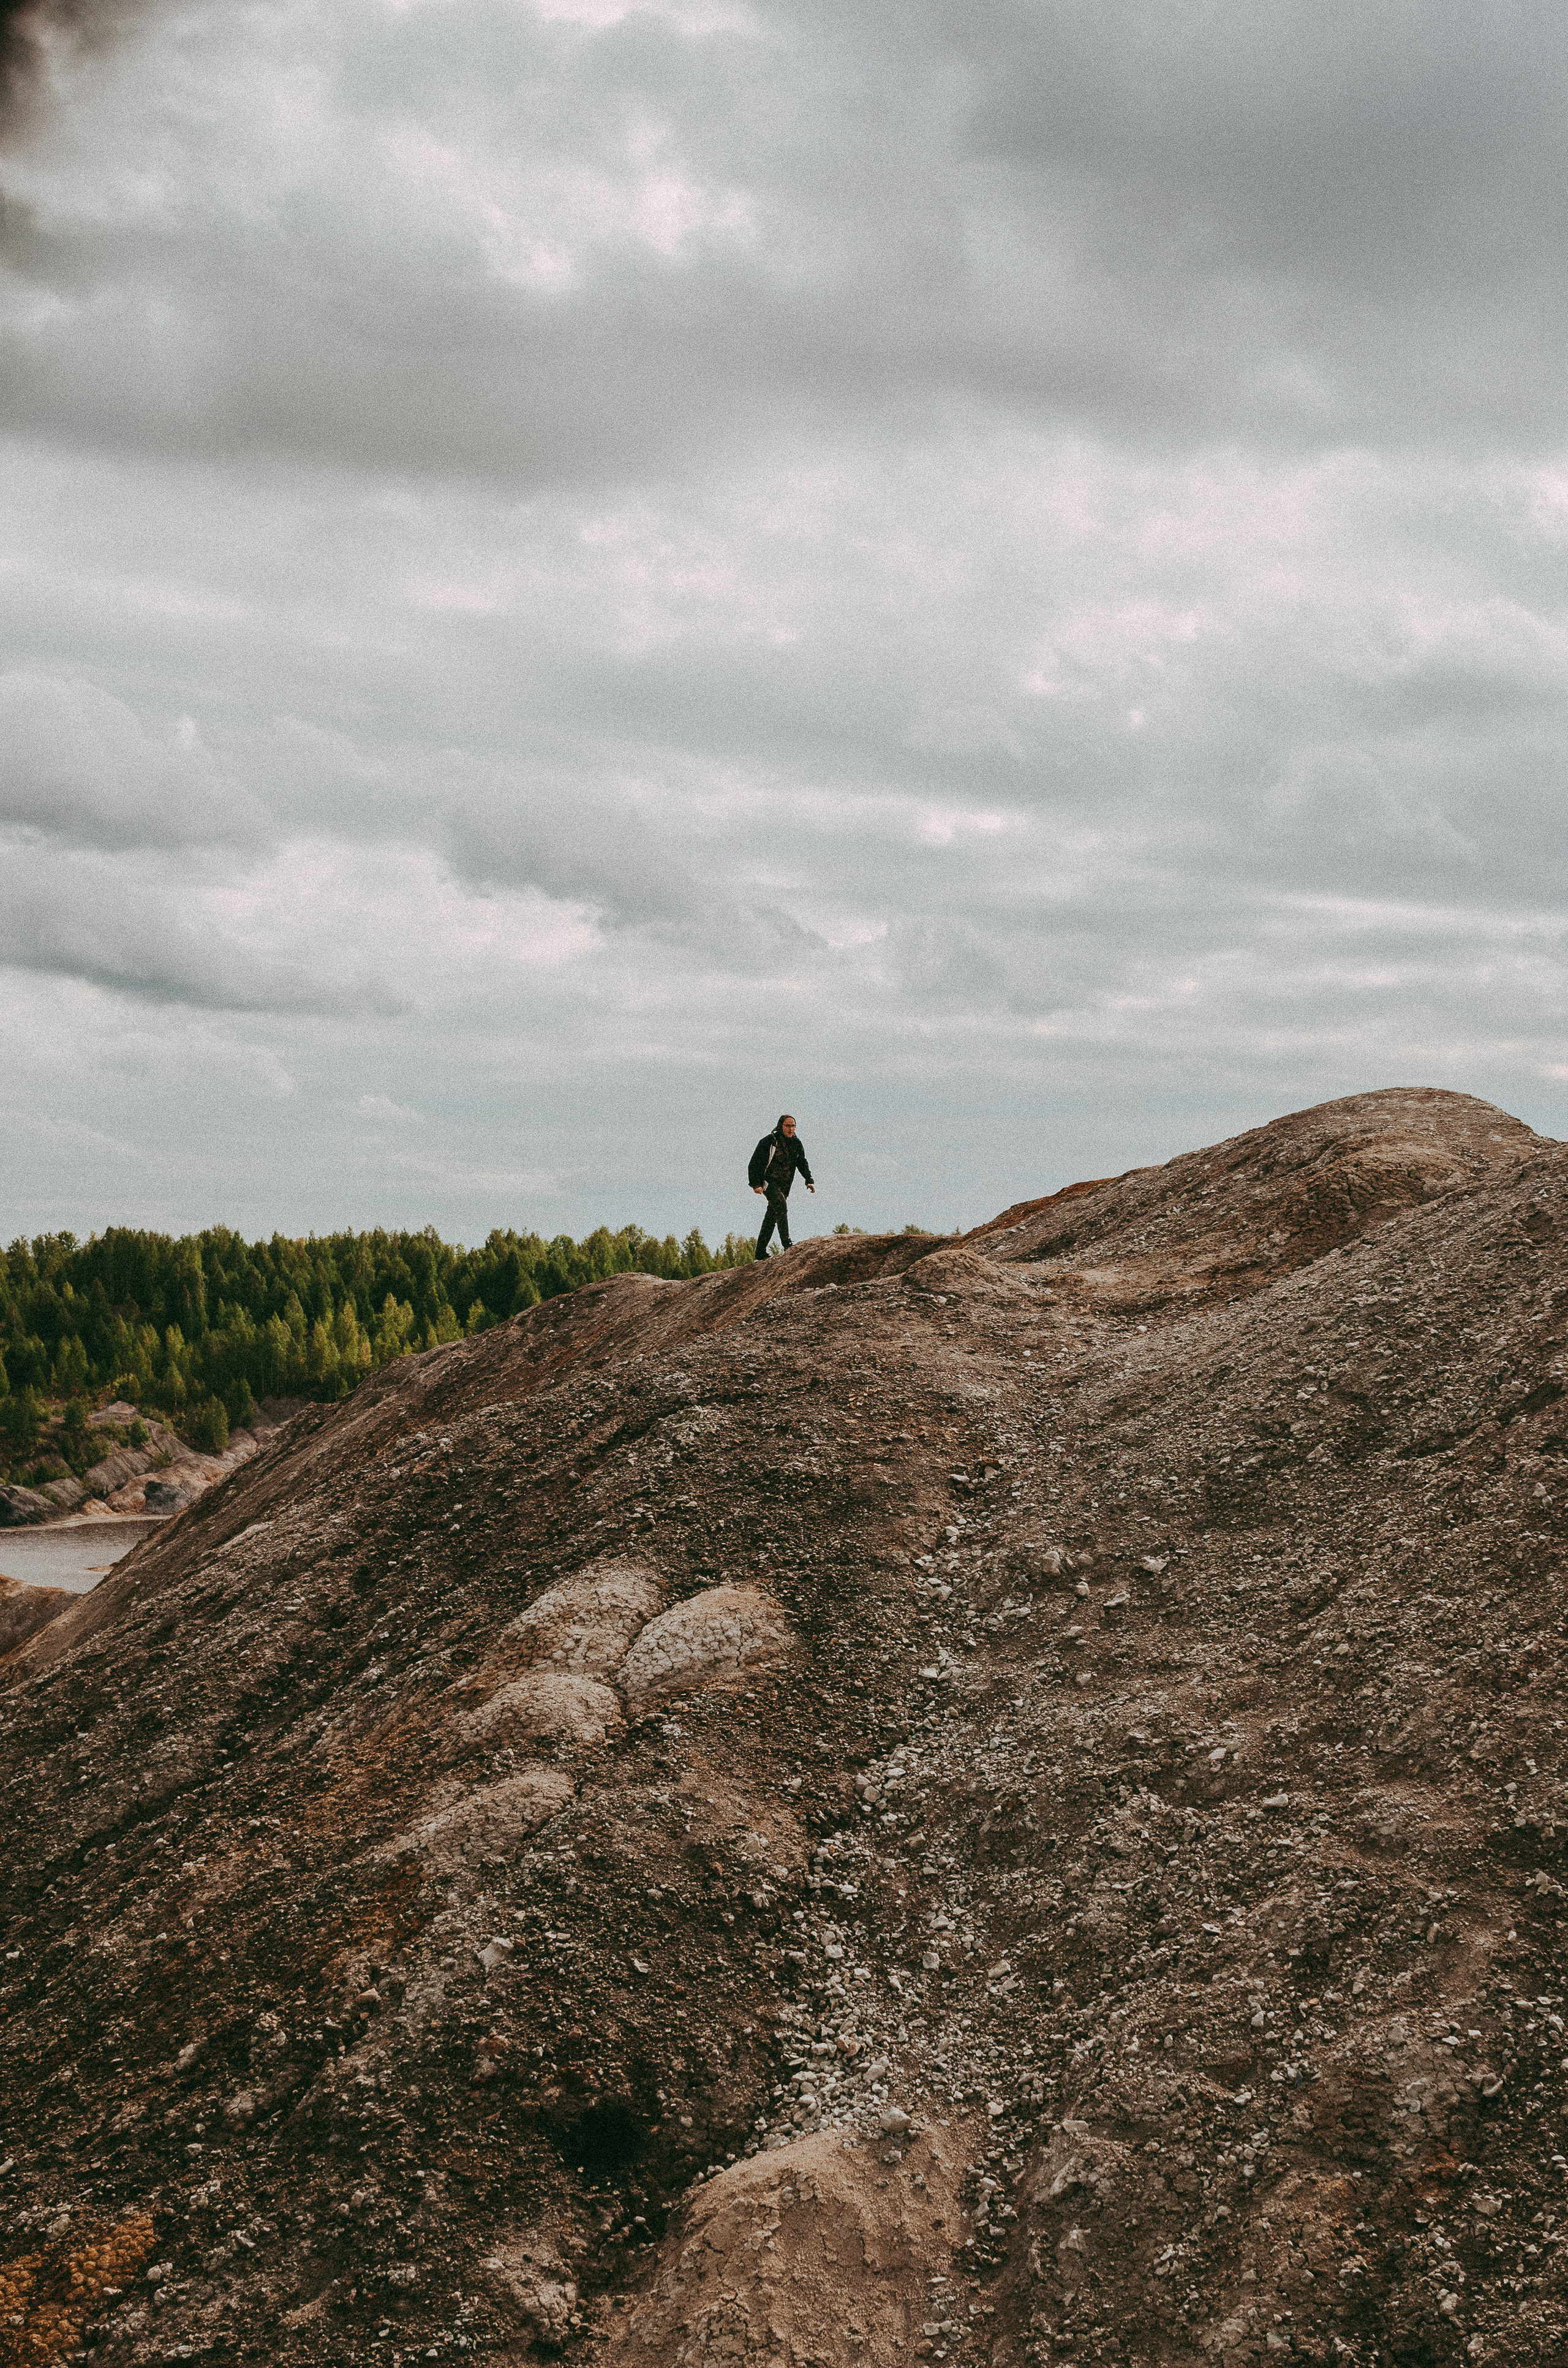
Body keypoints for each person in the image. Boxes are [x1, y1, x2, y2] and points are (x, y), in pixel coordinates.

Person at [748, 1113, 815, 1255]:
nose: (791, 1129)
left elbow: (802, 1162)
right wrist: (755, 1184)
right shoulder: (769, 1141)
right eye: (788, 1126)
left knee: (772, 1216)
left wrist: (809, 1180)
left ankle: (760, 1252)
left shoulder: (796, 1143)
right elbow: (754, 1163)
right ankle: (787, 1243)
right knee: (781, 1206)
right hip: (768, 1182)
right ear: (781, 1126)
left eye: (793, 1126)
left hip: (785, 1185)